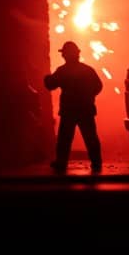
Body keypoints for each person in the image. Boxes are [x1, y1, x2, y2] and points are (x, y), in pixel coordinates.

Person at [44, 40, 104, 174]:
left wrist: (46, 78)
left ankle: (61, 162)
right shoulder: (87, 70)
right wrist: (89, 96)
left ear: (66, 55)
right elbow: (99, 86)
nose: (63, 56)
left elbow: (50, 85)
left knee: (64, 138)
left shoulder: (63, 71)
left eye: (64, 53)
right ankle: (96, 162)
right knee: (90, 137)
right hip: (85, 109)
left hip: (69, 110)